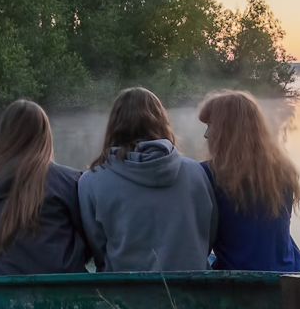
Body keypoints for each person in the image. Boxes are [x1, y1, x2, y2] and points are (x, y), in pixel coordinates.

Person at [78, 87, 215, 272]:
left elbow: (98, 248)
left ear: (114, 126)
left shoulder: (91, 181)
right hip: (191, 295)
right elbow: (208, 234)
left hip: (124, 297)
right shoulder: (195, 173)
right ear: (161, 122)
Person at [0, 98, 90, 276]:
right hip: (64, 284)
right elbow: (89, 241)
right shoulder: (70, 180)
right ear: (44, 136)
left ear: (5, 135)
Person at [196, 89, 300, 272]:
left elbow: (199, 240)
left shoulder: (207, 174)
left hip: (237, 283)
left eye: (211, 125)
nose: (206, 135)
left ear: (226, 131)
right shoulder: (284, 171)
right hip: (289, 273)